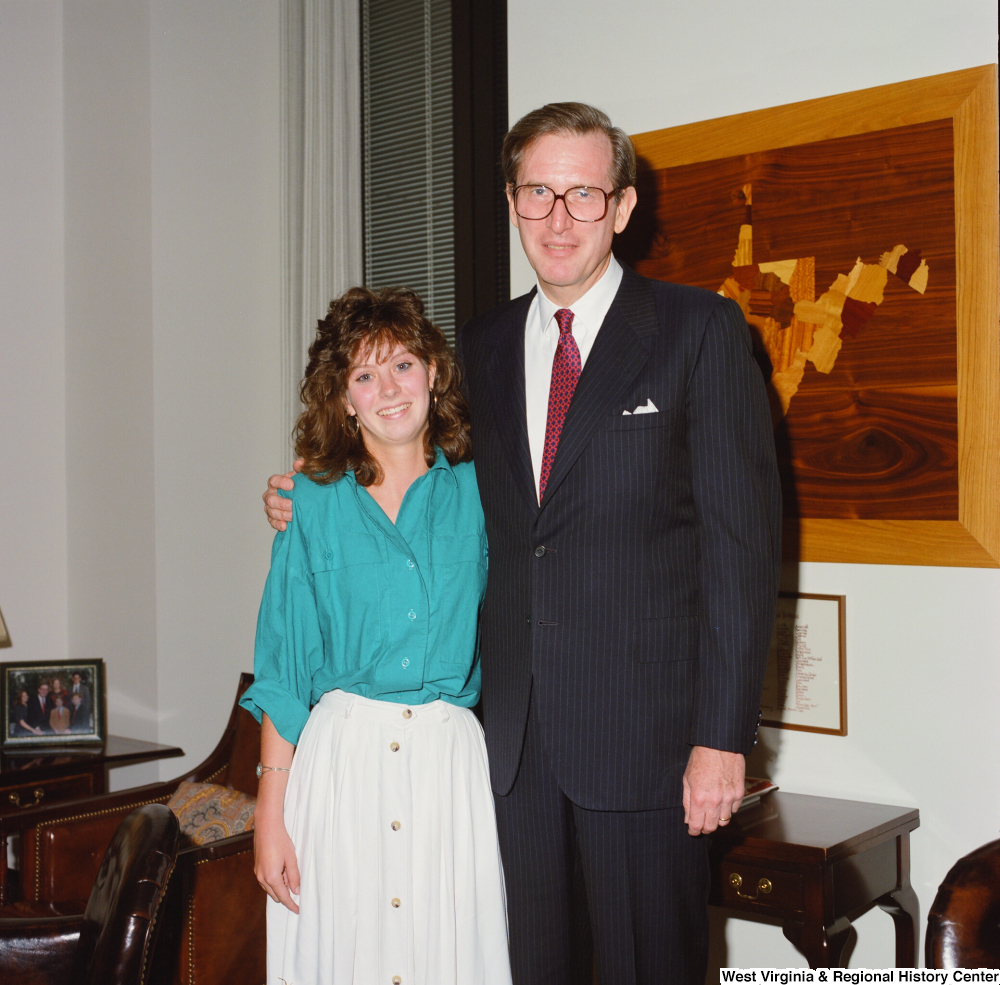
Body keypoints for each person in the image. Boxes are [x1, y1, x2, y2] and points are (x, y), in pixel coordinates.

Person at [265, 103, 782, 985]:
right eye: (538, 192)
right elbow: (419, 469)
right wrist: (310, 490)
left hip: (646, 746)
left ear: (621, 208)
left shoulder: (700, 334)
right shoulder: (480, 345)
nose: (558, 217)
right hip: (503, 754)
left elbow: (742, 551)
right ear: (512, 203)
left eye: (582, 194)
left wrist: (722, 738)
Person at [242, 287, 511, 985]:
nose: (388, 389)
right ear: (343, 399)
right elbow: (285, 665)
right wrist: (271, 811)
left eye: (402, 366)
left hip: (446, 772)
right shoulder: (309, 501)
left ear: (433, 373)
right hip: (339, 773)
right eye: (364, 375)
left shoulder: (486, 495)